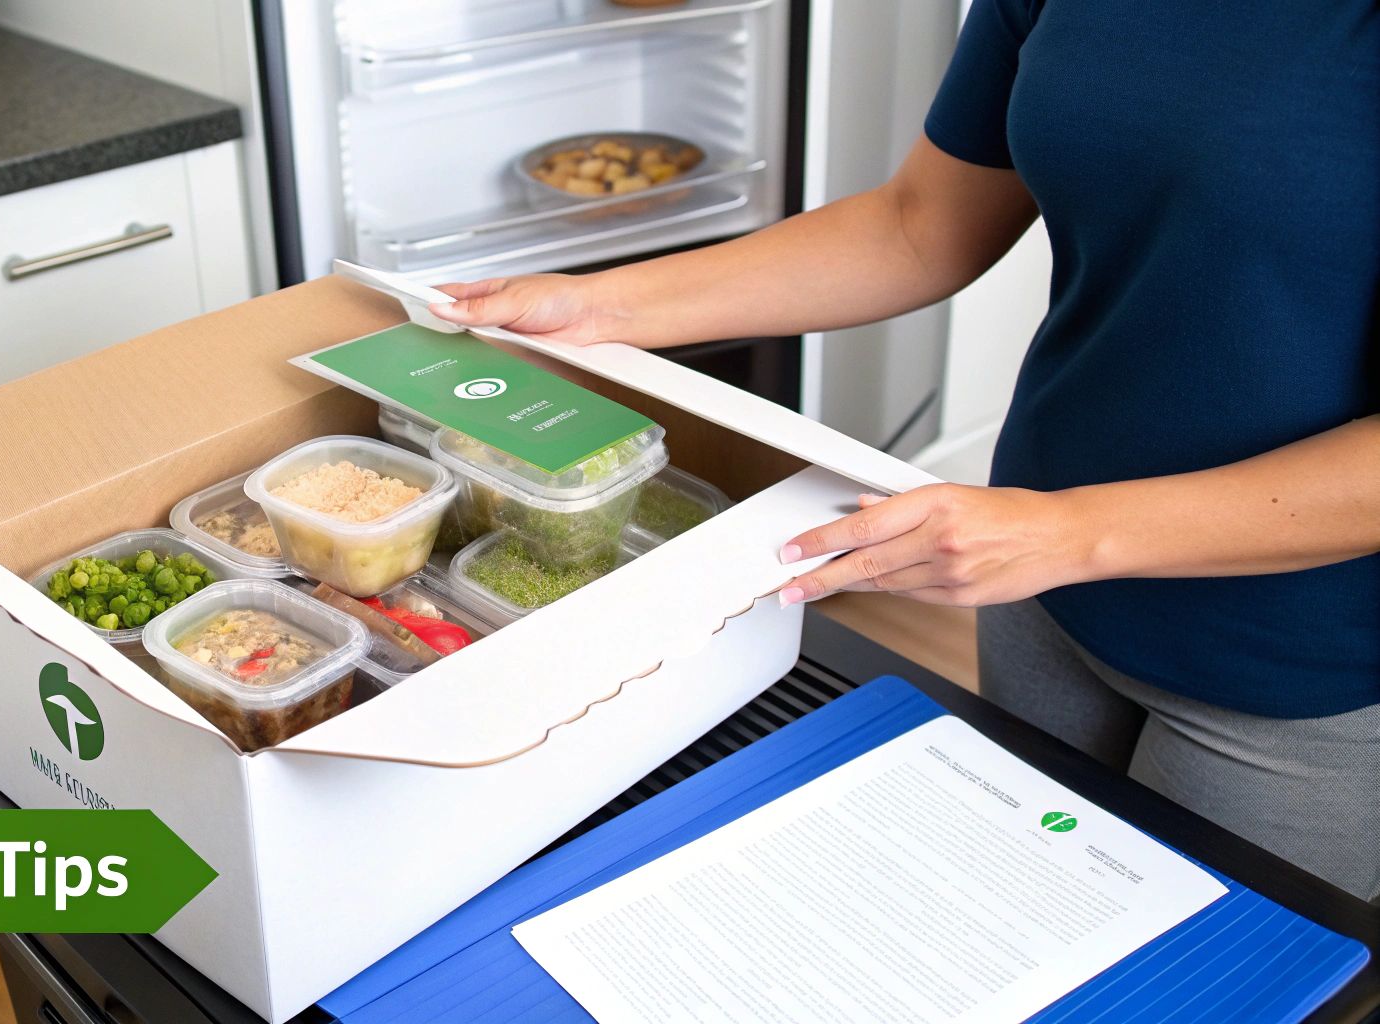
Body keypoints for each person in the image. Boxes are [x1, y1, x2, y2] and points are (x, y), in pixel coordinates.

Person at [426, 0, 1379, 898]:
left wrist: (1069, 532)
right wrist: (601, 307)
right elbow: (919, 225)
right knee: (1017, 908)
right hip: (1036, 587)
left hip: (1300, 667)